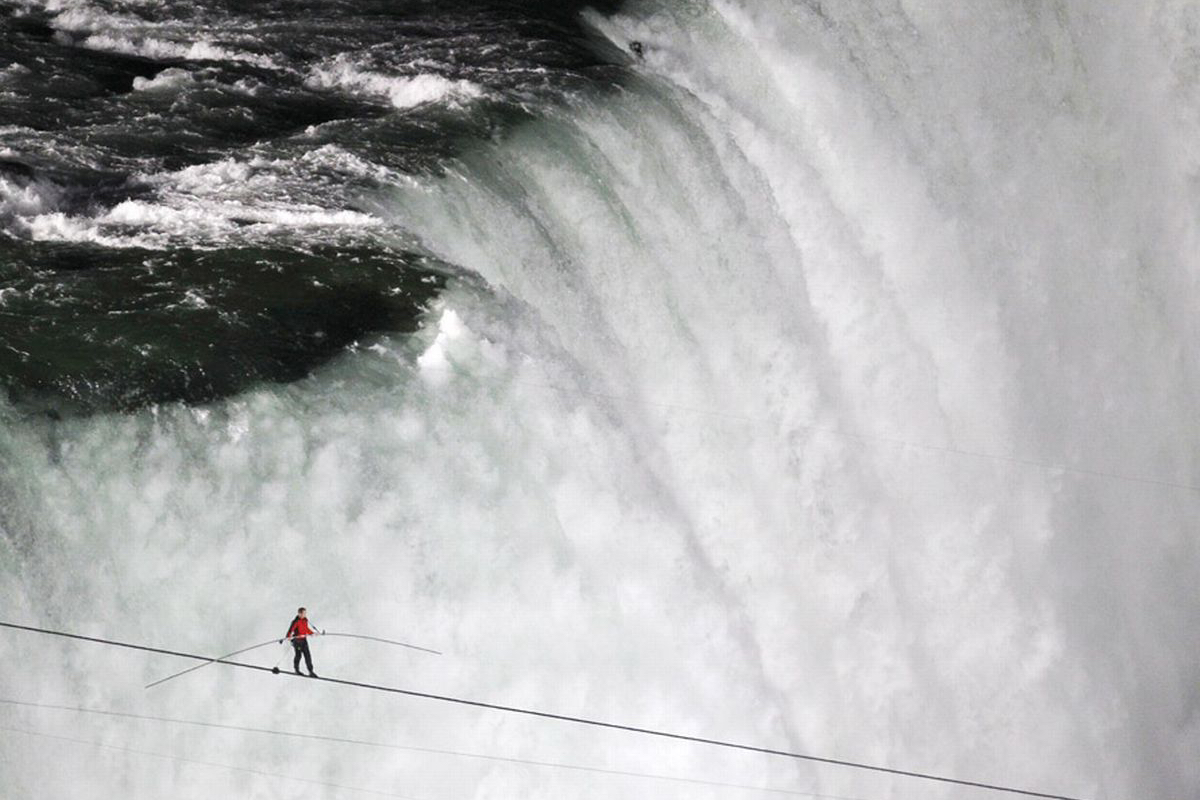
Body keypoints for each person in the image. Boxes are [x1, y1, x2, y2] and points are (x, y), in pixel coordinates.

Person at [281, 607, 320, 677]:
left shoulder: (305, 620)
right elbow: (290, 630)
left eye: (305, 613)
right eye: (303, 613)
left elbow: (306, 629)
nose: (305, 614)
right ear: (299, 613)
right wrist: (288, 636)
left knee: (308, 656)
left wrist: (312, 633)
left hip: (304, 640)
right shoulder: (296, 621)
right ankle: (296, 670)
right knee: (298, 655)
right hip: (297, 641)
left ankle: (311, 671)